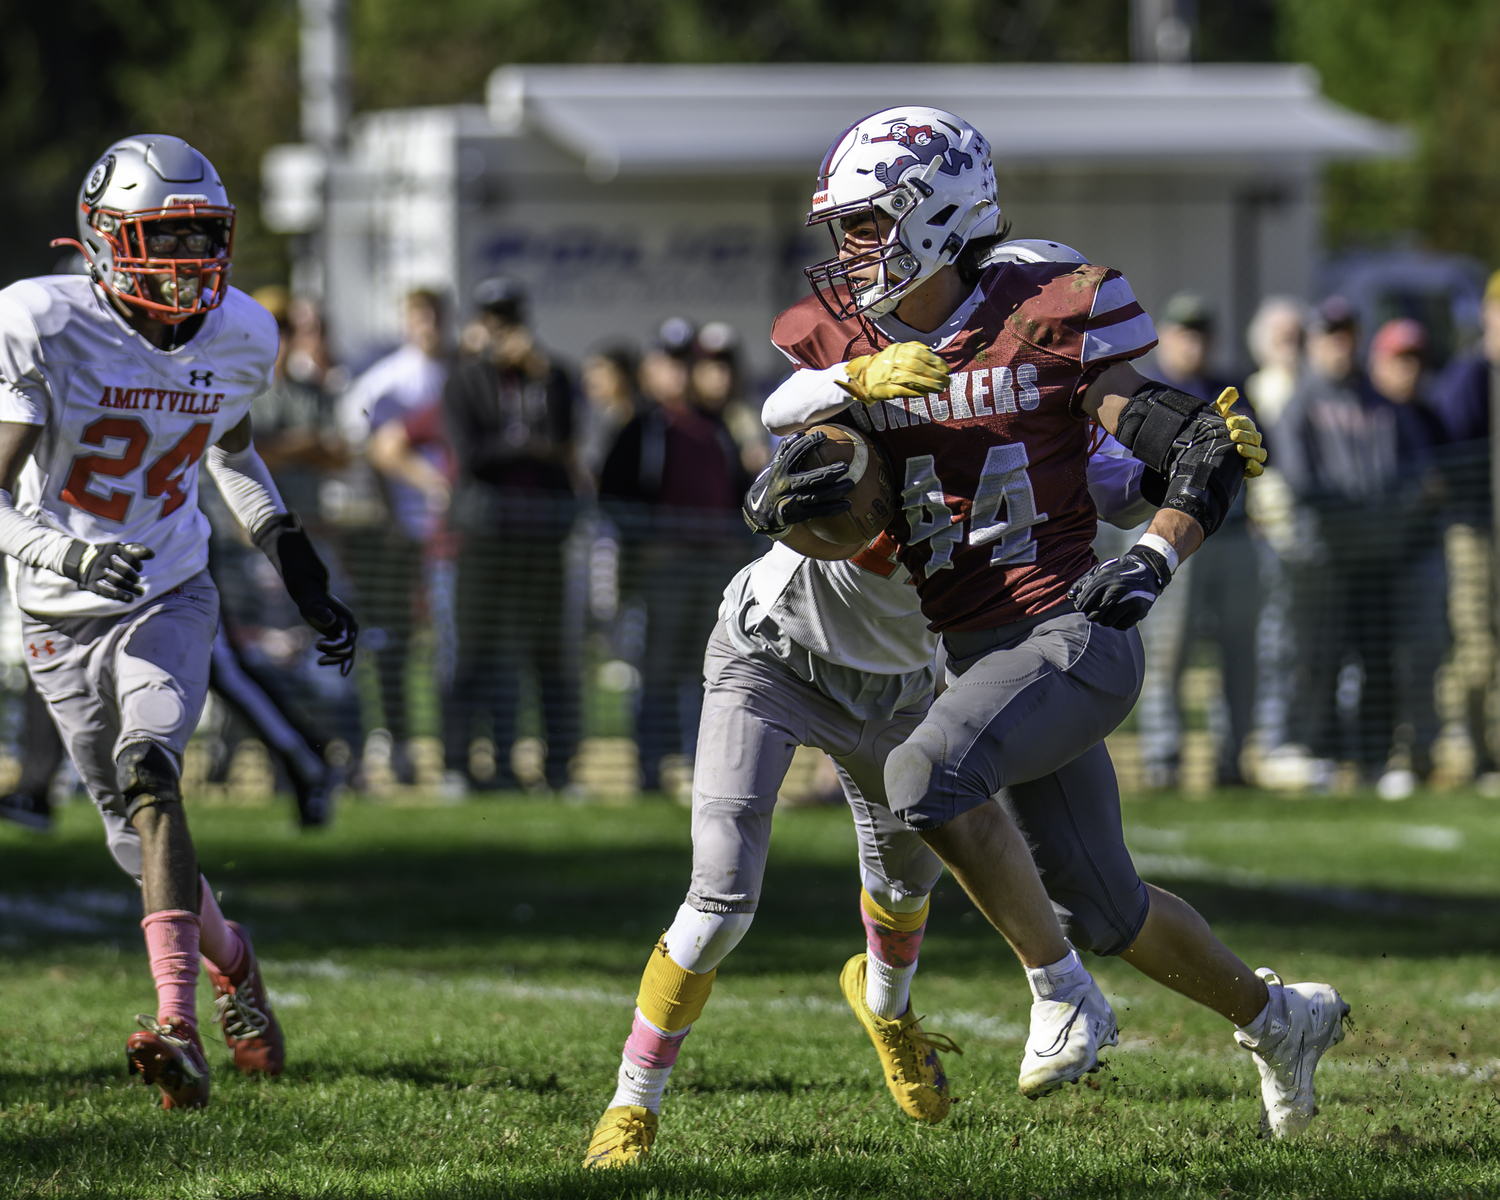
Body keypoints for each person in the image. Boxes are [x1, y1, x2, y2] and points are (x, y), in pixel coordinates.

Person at [752, 108, 1338, 1141]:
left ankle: (1061, 995)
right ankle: (1277, 1018)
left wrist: (1158, 540)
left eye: (864, 223)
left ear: (935, 213)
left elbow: (1170, 447)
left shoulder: (1045, 304)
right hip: (977, 654)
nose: (847, 252)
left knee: (921, 779)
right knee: (1107, 910)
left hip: (1070, 630)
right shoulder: (856, 349)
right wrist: (803, 484)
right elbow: (795, 430)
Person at [584, 323, 1169, 1164]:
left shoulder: (1022, 441)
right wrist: (858, 374)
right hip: (772, 656)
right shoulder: (899, 402)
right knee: (719, 901)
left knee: (903, 889)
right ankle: (632, 1104)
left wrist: (1193, 457)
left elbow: (1116, 487)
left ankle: (888, 1011)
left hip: (895, 688)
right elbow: (788, 406)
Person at [0, 135, 357, 1107]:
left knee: (153, 775)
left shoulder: (240, 330)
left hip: (168, 588)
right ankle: (235, 963)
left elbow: (231, 451)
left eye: (203, 234)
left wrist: (291, 554)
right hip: (58, 609)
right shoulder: (40, 319)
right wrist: (63, 552)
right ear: (108, 237)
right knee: (130, 832)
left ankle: (176, 1025)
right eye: (167, 235)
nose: (188, 257)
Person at [1270, 306, 1448, 787]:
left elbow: (1413, 476)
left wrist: (1389, 514)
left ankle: (1375, 758)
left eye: (1346, 334)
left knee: (1378, 657)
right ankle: (1317, 752)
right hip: (1322, 558)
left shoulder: (1380, 400)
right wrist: (1373, 514)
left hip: (1379, 558)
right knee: (1318, 657)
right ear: (1313, 341)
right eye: (1330, 335)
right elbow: (1302, 483)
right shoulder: (1299, 403)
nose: (1339, 344)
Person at [600, 318, 755, 792]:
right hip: (662, 569)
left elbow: (740, 492)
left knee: (708, 669)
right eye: (670, 361)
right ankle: (650, 767)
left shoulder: (720, 425)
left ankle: (698, 765)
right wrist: (648, 541)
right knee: (657, 668)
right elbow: (612, 495)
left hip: (714, 566)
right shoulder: (641, 426)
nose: (680, 372)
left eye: (687, 361)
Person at [440, 276, 579, 792]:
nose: (502, 331)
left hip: (541, 534)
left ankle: (558, 768)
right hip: (483, 533)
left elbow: (562, 441)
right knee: (476, 650)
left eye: (510, 321)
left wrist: (537, 377)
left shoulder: (551, 376)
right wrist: (527, 447)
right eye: (493, 321)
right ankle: (462, 766)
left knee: (547, 651)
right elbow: (472, 455)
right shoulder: (465, 380)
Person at [1133, 293, 1258, 788]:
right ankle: (1164, 760)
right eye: (1185, 332)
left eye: (1202, 332)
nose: (1194, 342)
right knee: (1170, 652)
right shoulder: (1150, 390)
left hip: (1232, 540)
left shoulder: (1232, 388)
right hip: (1177, 539)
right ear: (1167, 335)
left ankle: (1234, 760)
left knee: (1239, 651)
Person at [339, 289, 449, 784]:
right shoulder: (385, 381)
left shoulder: (454, 375)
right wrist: (398, 514)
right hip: (395, 539)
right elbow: (368, 453)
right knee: (390, 641)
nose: (429, 325)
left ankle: (433, 744)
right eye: (420, 316)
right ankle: (388, 739)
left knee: (442, 644)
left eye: (436, 316)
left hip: (447, 537)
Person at [1431, 269, 1500, 784]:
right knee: (1477, 643)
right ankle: (1473, 749)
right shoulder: (1469, 374)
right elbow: (1449, 458)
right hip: (1474, 530)